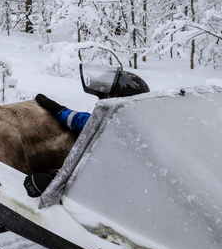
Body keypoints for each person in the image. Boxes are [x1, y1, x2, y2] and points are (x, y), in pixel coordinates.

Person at [24, 65, 150, 197]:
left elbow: (95, 176)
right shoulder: (115, 124)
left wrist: (53, 179)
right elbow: (87, 122)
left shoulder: (127, 146)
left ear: (120, 107)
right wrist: (58, 110)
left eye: (106, 105)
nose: (100, 109)